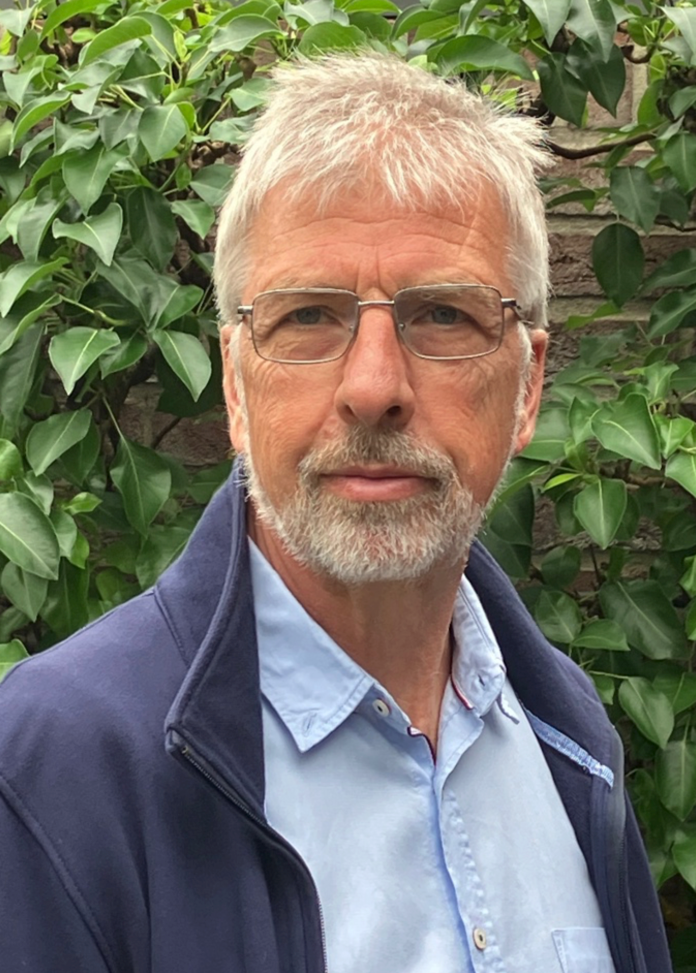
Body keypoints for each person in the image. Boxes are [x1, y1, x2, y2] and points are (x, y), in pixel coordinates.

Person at [0, 53, 670, 973]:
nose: (373, 387)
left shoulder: (573, 740)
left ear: (527, 387)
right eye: (308, 316)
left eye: (444, 315)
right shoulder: (52, 771)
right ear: (236, 386)